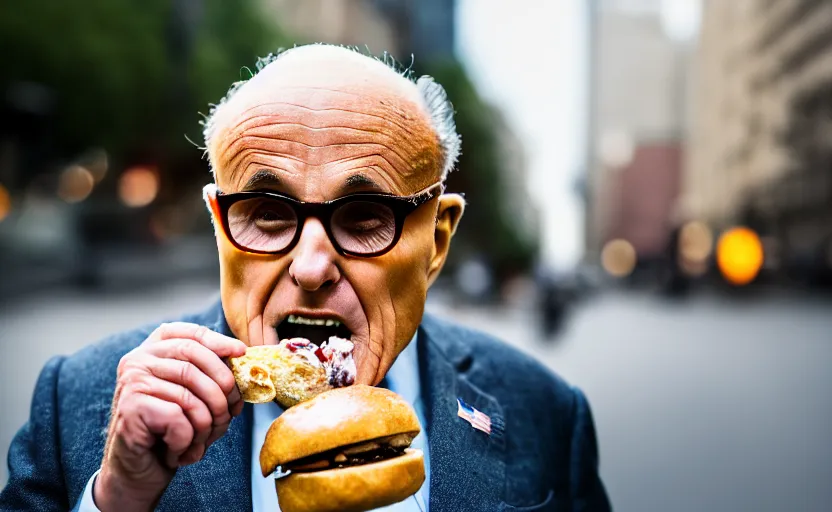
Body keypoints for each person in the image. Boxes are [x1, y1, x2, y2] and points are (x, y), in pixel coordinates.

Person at [0, 44, 610, 511]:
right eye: (267, 213)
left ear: (437, 242)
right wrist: (118, 499)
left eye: (365, 217)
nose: (312, 267)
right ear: (218, 225)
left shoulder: (546, 414)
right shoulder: (77, 405)